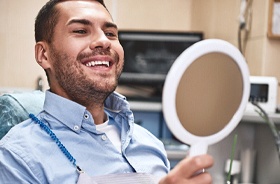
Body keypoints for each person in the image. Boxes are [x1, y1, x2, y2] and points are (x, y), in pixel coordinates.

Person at [0, 0, 214, 183]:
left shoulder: (150, 144)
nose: (103, 40)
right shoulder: (17, 157)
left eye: (110, 33)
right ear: (44, 54)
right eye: (81, 31)